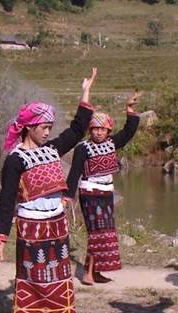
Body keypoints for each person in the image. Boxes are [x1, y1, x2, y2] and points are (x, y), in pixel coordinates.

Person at [0, 68, 97, 313]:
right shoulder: (16, 160)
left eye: (50, 127)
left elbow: (76, 130)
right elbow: (6, 200)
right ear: (28, 127)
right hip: (31, 226)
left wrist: (85, 92)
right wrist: (0, 237)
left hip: (56, 224)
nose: (48, 131)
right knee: (35, 278)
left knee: (58, 276)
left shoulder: (51, 149)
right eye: (43, 127)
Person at [65, 92, 141, 285]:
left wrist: (129, 109)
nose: (99, 132)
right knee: (96, 233)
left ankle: (96, 271)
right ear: (90, 130)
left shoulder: (112, 144)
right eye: (95, 129)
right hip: (89, 193)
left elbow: (129, 131)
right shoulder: (83, 148)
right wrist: (68, 196)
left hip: (107, 194)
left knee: (105, 231)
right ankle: (88, 273)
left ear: (108, 131)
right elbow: (74, 172)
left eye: (103, 129)